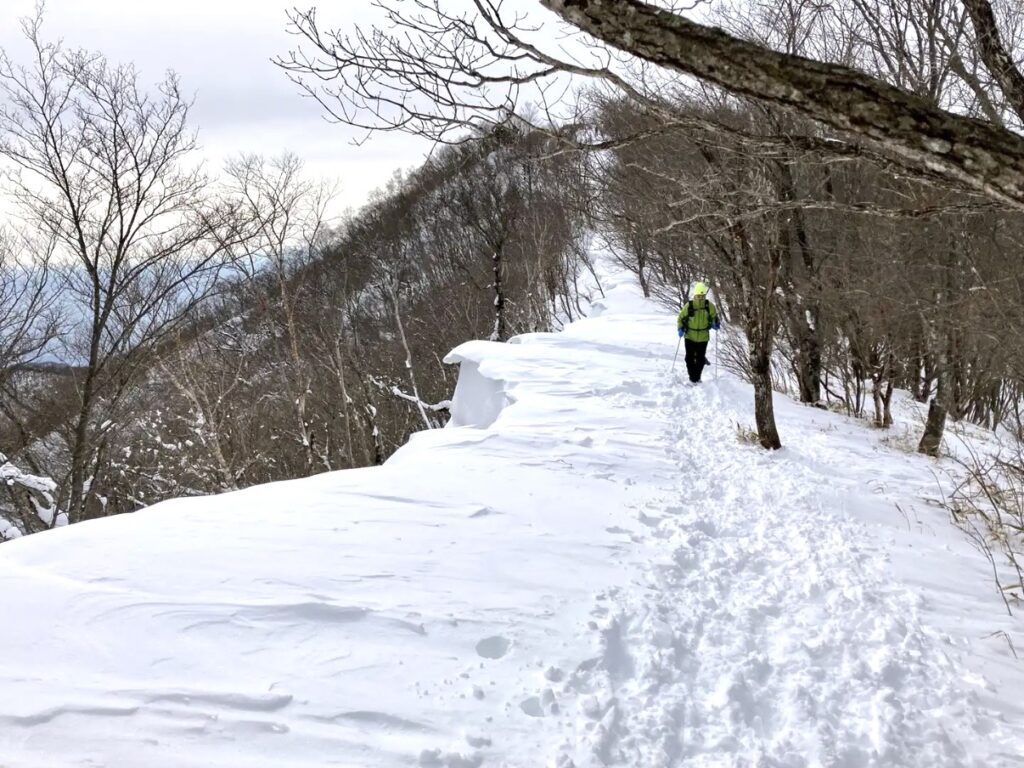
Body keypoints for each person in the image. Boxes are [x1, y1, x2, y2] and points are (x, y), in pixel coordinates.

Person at [677, 282, 720, 383]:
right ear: (695, 295)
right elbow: (680, 318)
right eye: (698, 295)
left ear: (705, 295)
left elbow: (714, 318)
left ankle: (697, 377)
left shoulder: (709, 306)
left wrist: (716, 324)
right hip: (689, 336)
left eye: (702, 295)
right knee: (689, 358)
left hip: (703, 336)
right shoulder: (689, 306)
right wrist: (680, 328)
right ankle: (693, 378)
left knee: (700, 359)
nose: (700, 297)